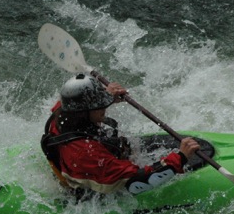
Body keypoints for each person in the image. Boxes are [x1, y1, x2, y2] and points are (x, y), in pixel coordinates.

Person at [41, 73, 200, 198]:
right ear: (83, 113)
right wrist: (180, 157)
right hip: (91, 188)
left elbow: (82, 100)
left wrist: (107, 95)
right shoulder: (86, 154)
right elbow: (138, 181)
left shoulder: (63, 111)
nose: (104, 106)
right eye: (99, 105)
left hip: (78, 163)